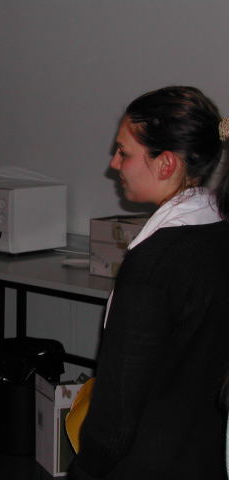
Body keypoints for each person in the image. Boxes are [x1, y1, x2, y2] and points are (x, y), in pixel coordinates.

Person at [69, 86, 229, 480]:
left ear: (166, 163)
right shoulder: (218, 235)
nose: (113, 164)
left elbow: (118, 409)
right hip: (205, 456)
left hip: (149, 462)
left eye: (124, 152)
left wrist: (86, 470)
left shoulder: (155, 263)